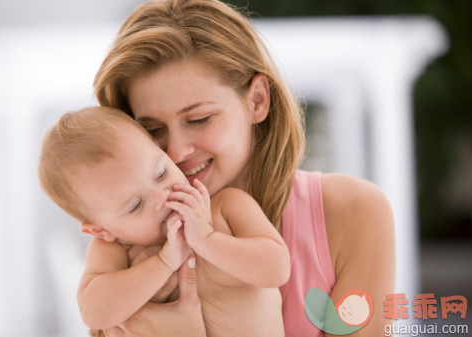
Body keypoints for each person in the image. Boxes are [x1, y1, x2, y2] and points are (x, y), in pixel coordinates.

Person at [93, 0, 396, 336]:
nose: (176, 153)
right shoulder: (125, 247)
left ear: (257, 101)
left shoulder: (350, 213)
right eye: (152, 130)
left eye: (199, 119)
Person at [38, 106, 290, 337]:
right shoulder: (113, 248)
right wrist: (163, 263)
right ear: (101, 230)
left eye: (161, 173)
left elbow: (277, 269)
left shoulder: (227, 206)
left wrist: (207, 239)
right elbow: (94, 313)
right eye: (135, 205)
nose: (163, 197)